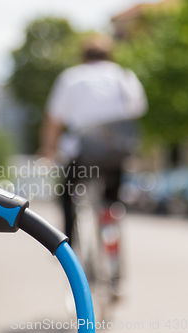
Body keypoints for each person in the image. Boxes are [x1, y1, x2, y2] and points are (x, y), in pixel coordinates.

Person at [40, 35, 148, 244]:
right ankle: (111, 222)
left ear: (83, 56)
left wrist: (48, 150)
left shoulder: (71, 78)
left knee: (67, 193)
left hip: (83, 152)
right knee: (112, 193)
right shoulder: (123, 76)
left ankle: (68, 243)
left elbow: (53, 120)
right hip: (116, 150)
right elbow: (138, 107)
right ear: (110, 55)